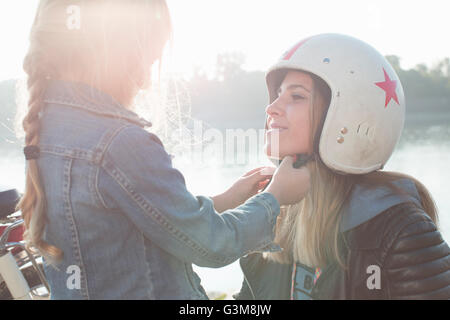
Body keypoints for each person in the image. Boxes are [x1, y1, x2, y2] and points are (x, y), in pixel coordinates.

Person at [16, 0, 310, 299]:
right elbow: (212, 245)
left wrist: (227, 199)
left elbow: (137, 219)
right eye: (147, 61)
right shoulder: (120, 142)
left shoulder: (46, 131)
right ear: (114, 51)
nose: (145, 81)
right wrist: (275, 198)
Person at [234, 33, 450, 300]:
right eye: (277, 95)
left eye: (296, 97)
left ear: (348, 114)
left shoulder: (401, 229)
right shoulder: (273, 212)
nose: (272, 108)